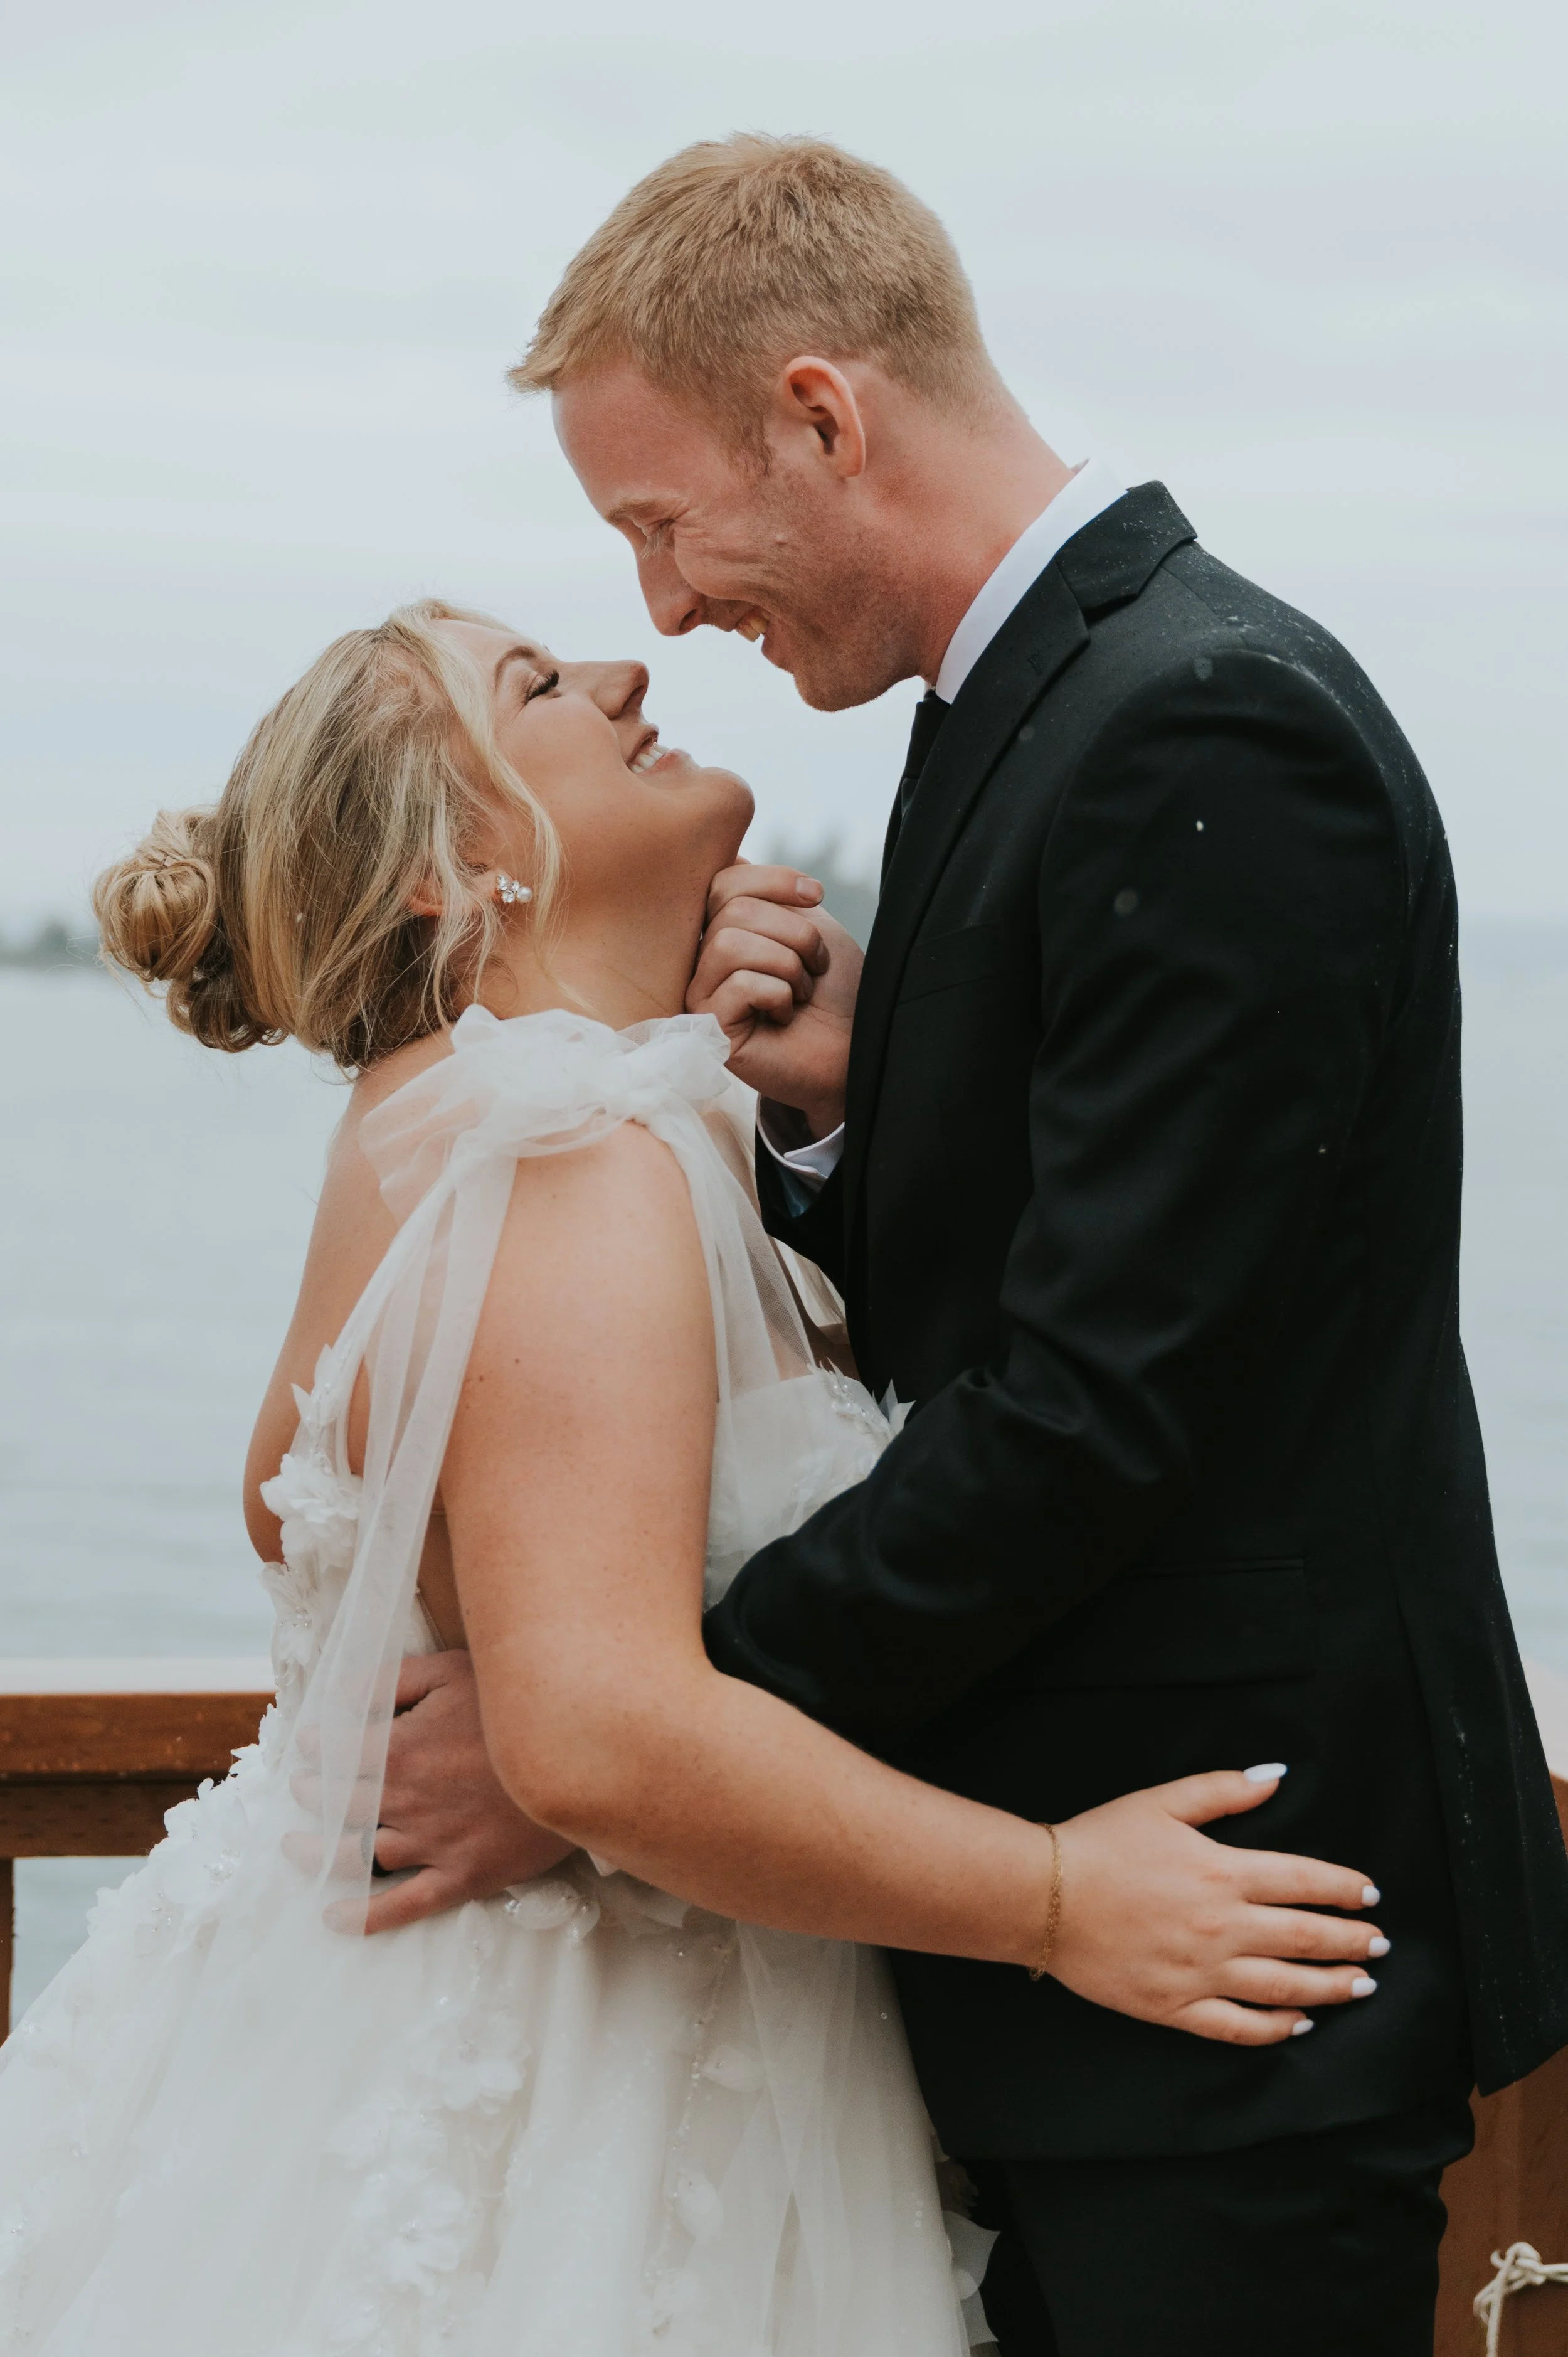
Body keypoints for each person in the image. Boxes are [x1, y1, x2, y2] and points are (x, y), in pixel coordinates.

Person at [376, 139, 1568, 2354]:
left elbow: (1095, 1406)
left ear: (821, 416)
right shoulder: (1025, 712)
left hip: (1221, 1933)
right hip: (1071, 1936)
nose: (659, 610)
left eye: (659, 525)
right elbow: (1080, 1264)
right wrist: (852, 1119)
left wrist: (621, 1737)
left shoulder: (1199, 722)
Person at [0, 600, 1385, 2354]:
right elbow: (593, 1736)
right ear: (455, 868)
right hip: (590, 2112)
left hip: (354, 2033)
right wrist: (1057, 1897)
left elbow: (309, 1509)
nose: (625, 675)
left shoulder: (441, 1120)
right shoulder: (573, 1158)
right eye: (539, 686)